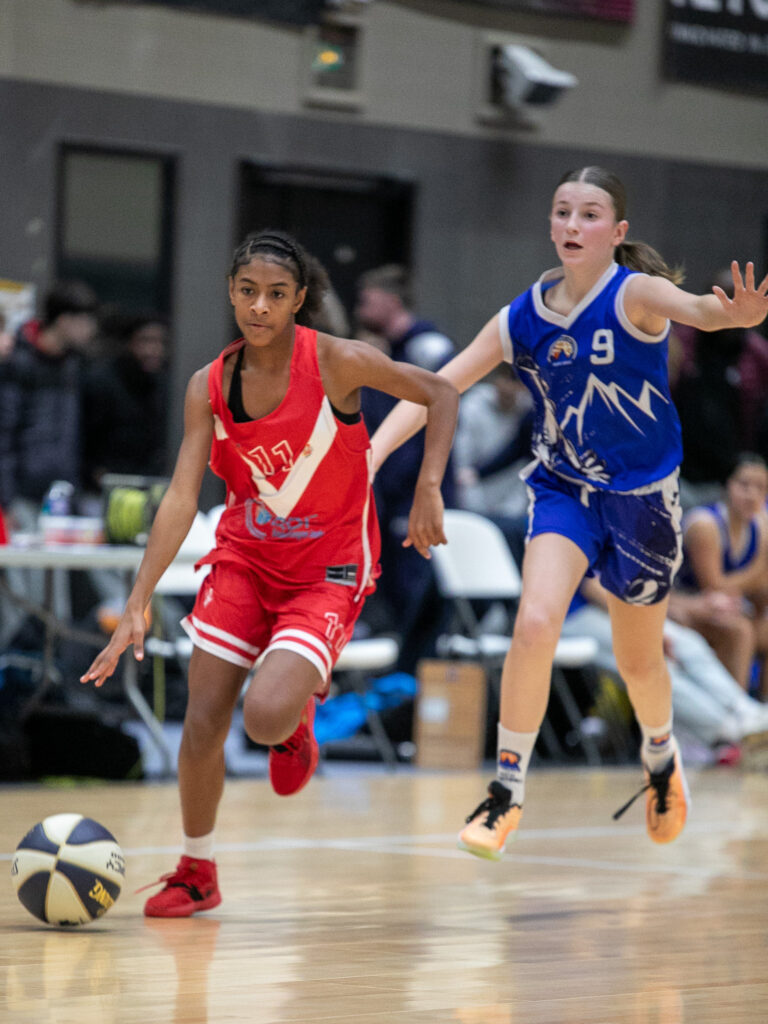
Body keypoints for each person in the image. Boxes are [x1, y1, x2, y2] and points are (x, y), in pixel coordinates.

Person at [371, 165, 768, 859]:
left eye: (589, 214)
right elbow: (439, 386)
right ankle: (505, 792)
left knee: (640, 662)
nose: (572, 225)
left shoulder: (636, 293)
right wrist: (371, 455)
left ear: (616, 232)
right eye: (562, 212)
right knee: (534, 625)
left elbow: (700, 310)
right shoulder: (522, 317)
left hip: (642, 503)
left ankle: (661, 757)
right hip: (563, 492)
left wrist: (732, 316)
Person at [80, 230, 458, 916]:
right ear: (231, 293)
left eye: (276, 294)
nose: (260, 306)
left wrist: (429, 486)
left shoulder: (338, 360)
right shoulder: (209, 384)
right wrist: (138, 598)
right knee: (202, 722)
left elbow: (440, 392)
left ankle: (295, 716)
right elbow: (181, 497)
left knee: (262, 718)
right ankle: (197, 871)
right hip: (245, 560)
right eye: (248, 292)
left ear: (298, 300)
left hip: (328, 568)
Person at [354, 264, 458, 672]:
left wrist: (418, 484)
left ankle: (412, 682)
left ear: (391, 301)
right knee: (396, 589)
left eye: (368, 300)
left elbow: (438, 418)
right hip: (395, 490)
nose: (361, 308)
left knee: (417, 590)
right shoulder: (395, 350)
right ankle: (398, 686)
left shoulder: (427, 347)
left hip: (420, 491)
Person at [562, 575, 768, 760]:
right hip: (572, 615)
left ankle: (744, 708)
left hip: (611, 607)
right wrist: (641, 625)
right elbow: (592, 586)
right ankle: (726, 730)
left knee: (687, 642)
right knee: (650, 663)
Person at [676, 453, 768, 697]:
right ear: (727, 485)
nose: (752, 495)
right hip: (684, 603)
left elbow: (759, 587)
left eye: (760, 488)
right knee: (740, 631)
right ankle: (737, 710)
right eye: (744, 485)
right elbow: (714, 585)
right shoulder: (705, 525)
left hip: (727, 605)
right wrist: (760, 567)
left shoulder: (760, 525)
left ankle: (763, 706)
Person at [671, 268, 768, 489]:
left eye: (735, 299)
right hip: (681, 472)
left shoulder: (758, 355)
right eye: (722, 299)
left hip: (735, 478)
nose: (728, 308)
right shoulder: (679, 344)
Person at [81, 312, 171, 490]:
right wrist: (95, 474)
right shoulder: (101, 381)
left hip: (144, 484)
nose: (154, 350)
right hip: (101, 487)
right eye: (146, 341)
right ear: (129, 343)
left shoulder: (158, 384)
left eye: (161, 342)